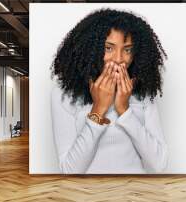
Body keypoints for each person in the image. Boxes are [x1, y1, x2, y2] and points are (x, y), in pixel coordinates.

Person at [51, 8, 168, 174]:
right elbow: (70, 170)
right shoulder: (63, 95)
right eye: (108, 48)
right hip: (87, 197)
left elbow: (159, 164)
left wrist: (124, 110)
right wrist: (99, 109)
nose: (119, 59)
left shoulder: (143, 92)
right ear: (90, 49)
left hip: (135, 195)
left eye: (127, 49)